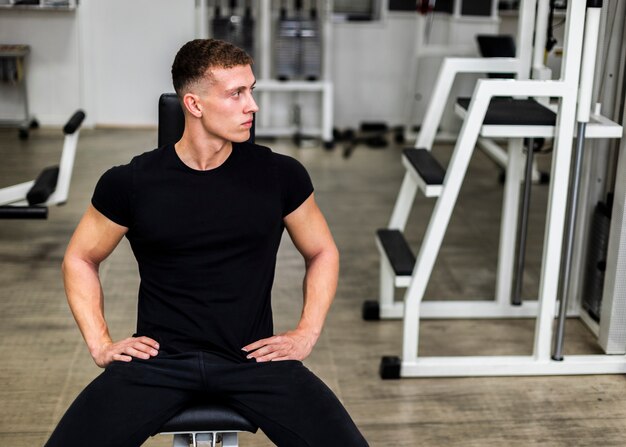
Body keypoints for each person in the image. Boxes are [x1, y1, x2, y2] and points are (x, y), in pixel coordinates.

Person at [44, 38, 368, 447]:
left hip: (252, 361)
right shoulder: (130, 183)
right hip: (159, 362)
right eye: (236, 94)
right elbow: (80, 257)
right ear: (194, 105)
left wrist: (306, 331)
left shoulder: (279, 175)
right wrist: (100, 343)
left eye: (252, 90)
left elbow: (322, 251)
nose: (252, 105)